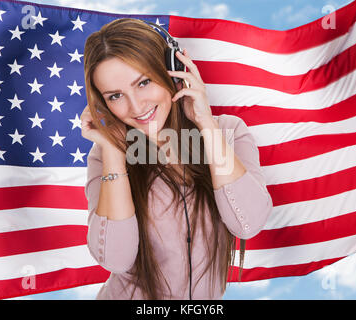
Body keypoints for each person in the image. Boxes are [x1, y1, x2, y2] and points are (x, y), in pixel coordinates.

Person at [81, 18, 273, 300]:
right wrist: (112, 152)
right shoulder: (105, 156)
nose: (136, 107)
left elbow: (248, 223)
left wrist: (205, 123)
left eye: (144, 82)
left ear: (174, 71)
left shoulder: (228, 132)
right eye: (115, 96)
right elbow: (116, 259)